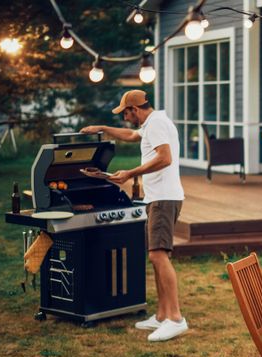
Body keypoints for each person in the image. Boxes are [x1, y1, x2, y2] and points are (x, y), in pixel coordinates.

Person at [80, 90, 187, 342]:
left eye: (125, 113)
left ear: (135, 109)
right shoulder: (153, 123)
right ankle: (162, 315)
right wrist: (102, 128)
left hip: (163, 199)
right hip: (158, 198)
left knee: (158, 256)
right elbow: (130, 135)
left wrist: (130, 173)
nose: (125, 118)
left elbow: (165, 158)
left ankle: (175, 319)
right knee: (157, 257)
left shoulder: (156, 124)